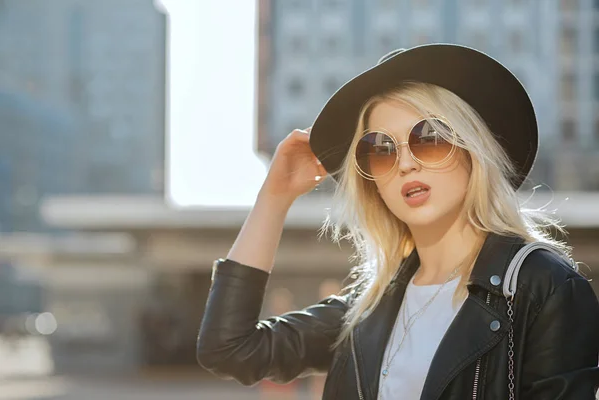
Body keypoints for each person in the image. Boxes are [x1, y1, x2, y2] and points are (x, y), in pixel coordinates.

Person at [197, 44, 599, 399]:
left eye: (429, 138)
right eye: (380, 149)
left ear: (472, 150)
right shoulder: (366, 311)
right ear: (373, 184)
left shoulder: (541, 287)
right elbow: (229, 349)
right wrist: (275, 195)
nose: (406, 162)